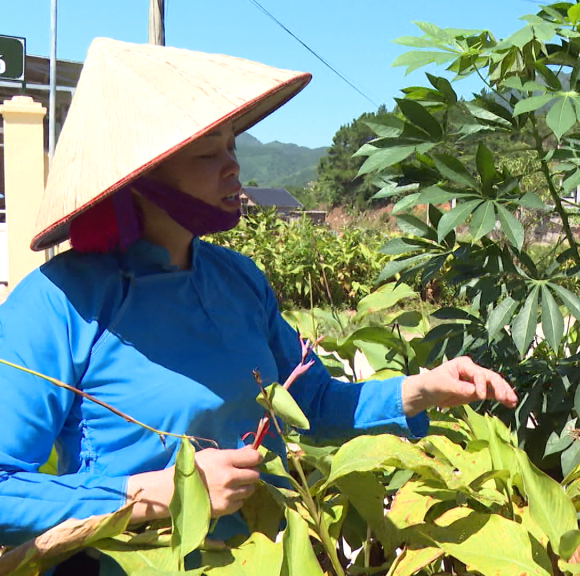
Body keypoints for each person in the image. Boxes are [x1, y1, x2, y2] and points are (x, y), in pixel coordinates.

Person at [0, 37, 517, 560]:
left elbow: (312, 400)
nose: (232, 166)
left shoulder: (239, 280)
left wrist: (422, 389)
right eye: (207, 152)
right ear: (137, 178)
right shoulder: (58, 303)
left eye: (232, 146)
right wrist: (158, 492)